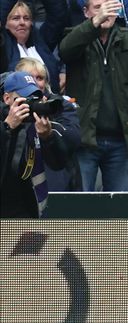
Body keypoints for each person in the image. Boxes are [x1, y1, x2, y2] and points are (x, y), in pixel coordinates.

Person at [60, 0, 128, 192]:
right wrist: (94, 24)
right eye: (98, 8)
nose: (104, 12)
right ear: (86, 12)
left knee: (121, 211)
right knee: (80, 207)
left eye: (109, 6)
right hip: (85, 140)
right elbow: (66, 50)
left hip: (121, 140)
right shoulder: (75, 36)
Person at [0, 71, 71, 217]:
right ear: (7, 98)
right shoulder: (4, 122)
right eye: (25, 99)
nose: (30, 103)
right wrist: (7, 127)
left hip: (26, 210)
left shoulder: (35, 123)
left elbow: (59, 163)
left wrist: (48, 137)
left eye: (34, 97)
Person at [14, 57, 81, 192]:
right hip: (17, 187)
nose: (35, 83)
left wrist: (49, 133)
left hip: (56, 182)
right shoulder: (10, 109)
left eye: (39, 78)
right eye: (29, 78)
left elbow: (74, 138)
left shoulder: (59, 105)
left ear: (46, 82)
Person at [2, 0, 67, 94]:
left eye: (26, 18)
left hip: (49, 101)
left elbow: (57, 16)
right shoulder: (3, 47)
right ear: (5, 23)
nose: (22, 22)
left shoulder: (40, 41)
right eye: (16, 18)